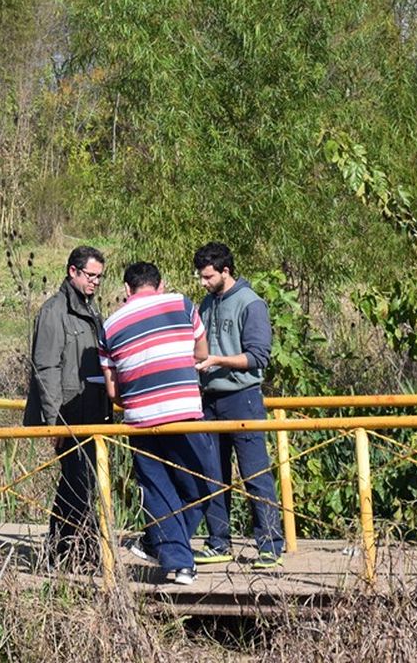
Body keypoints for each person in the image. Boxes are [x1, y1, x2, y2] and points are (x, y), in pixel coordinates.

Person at [98, 261, 229, 585]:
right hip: (183, 410)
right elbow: (201, 353)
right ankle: (175, 557)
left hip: (140, 418)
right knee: (204, 483)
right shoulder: (182, 304)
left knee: (157, 490)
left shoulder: (110, 325)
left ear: (126, 290)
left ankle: (166, 549)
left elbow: (113, 389)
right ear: (161, 285)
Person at [194, 241, 285, 569]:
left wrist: (218, 360)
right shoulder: (205, 304)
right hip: (209, 400)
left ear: (225, 271)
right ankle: (218, 541)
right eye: (201, 277)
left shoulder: (251, 303)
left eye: (207, 276)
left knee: (255, 472)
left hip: (242, 398)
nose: (203, 283)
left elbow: (259, 356)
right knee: (212, 474)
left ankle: (271, 543)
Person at [23, 245, 110, 565]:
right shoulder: (54, 312)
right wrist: (53, 420)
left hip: (93, 408)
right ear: (72, 271)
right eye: (90, 275)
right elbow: (46, 369)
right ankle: (71, 551)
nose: (95, 282)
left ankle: (71, 550)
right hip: (68, 411)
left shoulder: (90, 311)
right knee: (77, 481)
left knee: (82, 482)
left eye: (100, 277)